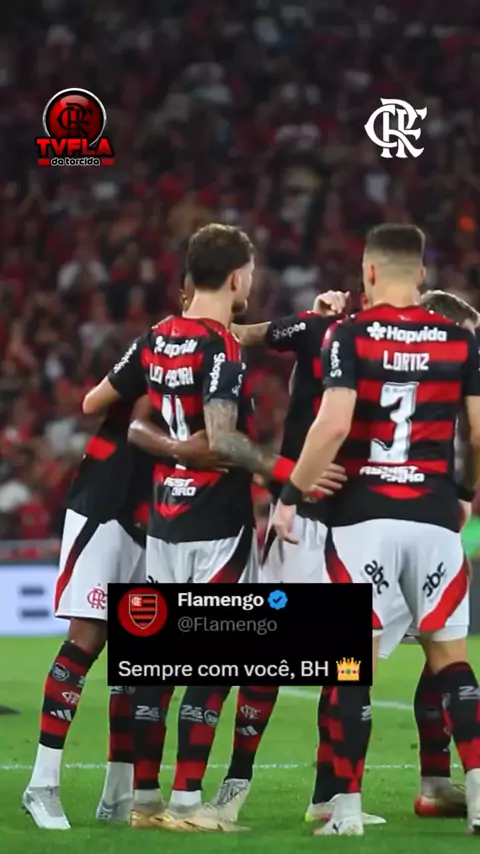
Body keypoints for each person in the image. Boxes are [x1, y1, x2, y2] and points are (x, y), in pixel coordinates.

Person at [84, 223, 333, 832]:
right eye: (251, 273)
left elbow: (96, 402)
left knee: (158, 664)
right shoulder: (220, 348)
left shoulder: (156, 337)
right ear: (238, 276)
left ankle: (146, 801)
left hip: (163, 521)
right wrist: (286, 471)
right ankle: (189, 803)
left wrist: (165, 444)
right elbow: (221, 440)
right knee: (214, 664)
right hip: (216, 524)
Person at [272, 223, 480, 836]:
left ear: (367, 272)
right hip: (434, 516)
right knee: (452, 664)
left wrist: (290, 495)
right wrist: (464, 494)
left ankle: (345, 811)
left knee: (349, 668)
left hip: (364, 519)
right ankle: (477, 797)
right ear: (422, 274)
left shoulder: (350, 334)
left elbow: (333, 425)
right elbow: (478, 434)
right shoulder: (459, 340)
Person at [22, 395, 153, 829]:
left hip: (153, 517)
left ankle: (117, 795)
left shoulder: (221, 364)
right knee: (87, 639)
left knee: (139, 658)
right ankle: (42, 785)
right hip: (106, 505)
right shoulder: (151, 358)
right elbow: (95, 400)